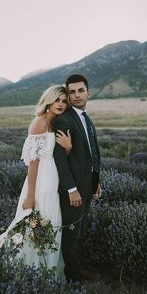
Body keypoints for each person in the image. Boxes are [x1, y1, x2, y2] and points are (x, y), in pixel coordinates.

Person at [0, 85, 72, 273]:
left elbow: (60, 155)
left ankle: (46, 268)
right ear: (48, 100)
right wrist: (29, 196)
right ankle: (22, 268)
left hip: (55, 179)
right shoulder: (40, 122)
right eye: (56, 100)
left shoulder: (57, 123)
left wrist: (67, 148)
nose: (60, 104)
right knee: (32, 223)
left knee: (52, 223)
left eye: (64, 101)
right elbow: (33, 163)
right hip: (41, 181)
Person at [53, 74, 102, 282]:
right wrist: (71, 189)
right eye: (72, 92)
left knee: (79, 229)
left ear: (88, 92)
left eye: (80, 90)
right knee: (71, 234)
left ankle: (77, 268)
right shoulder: (64, 119)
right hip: (73, 189)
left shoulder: (85, 117)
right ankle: (72, 277)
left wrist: (96, 180)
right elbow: (60, 158)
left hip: (87, 184)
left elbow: (92, 151)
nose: (76, 95)